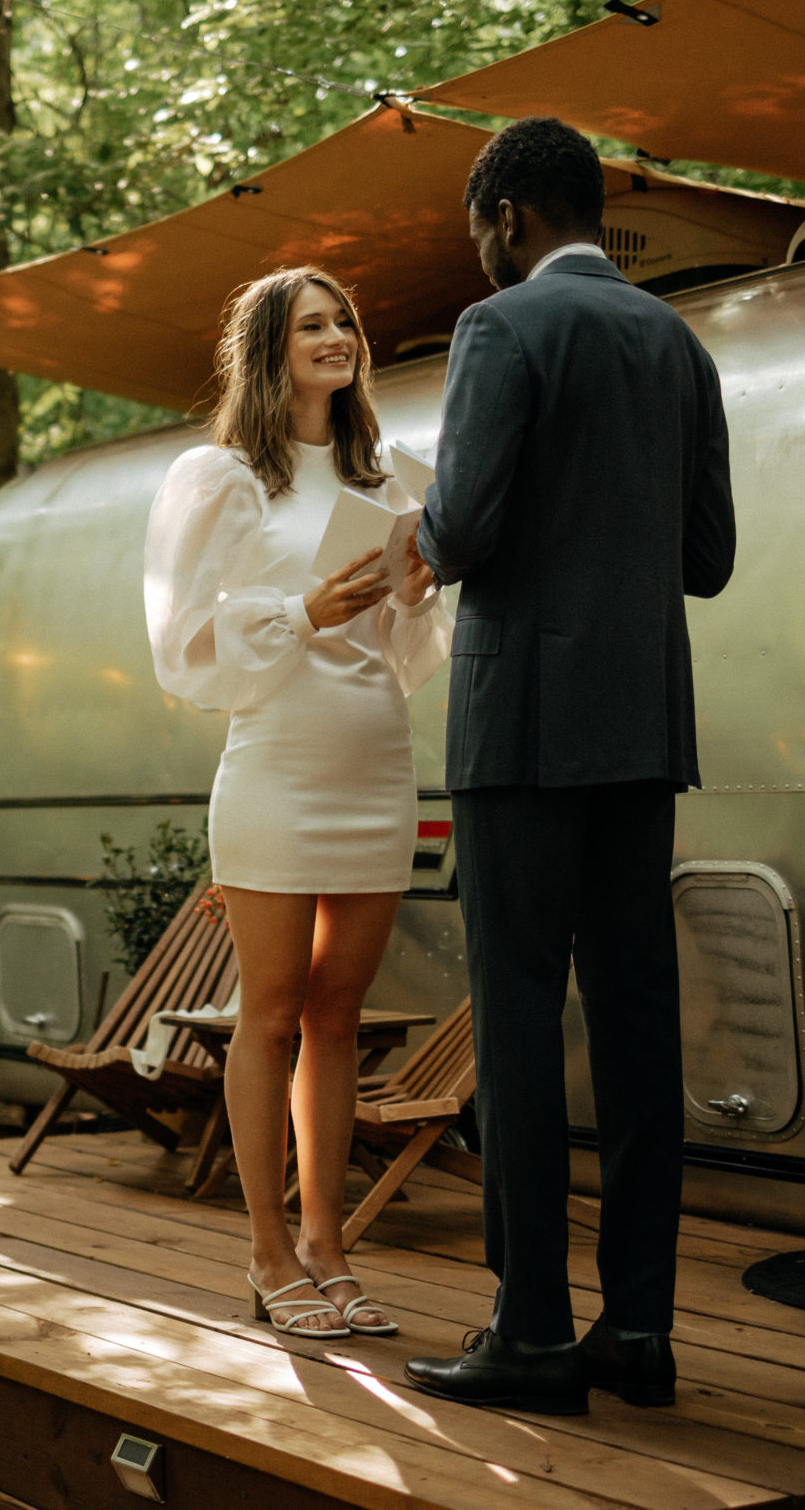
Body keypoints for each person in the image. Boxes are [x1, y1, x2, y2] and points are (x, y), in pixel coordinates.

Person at [400, 117, 735, 1414]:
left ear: (509, 218)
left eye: (477, 228)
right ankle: (638, 1330)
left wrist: (417, 529)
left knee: (523, 1021)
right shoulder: (679, 342)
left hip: (522, 732)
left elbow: (467, 524)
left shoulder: (502, 332)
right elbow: (705, 558)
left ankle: (532, 1325)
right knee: (642, 1023)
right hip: (642, 733)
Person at [144, 266, 451, 1340]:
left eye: (345, 321)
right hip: (273, 768)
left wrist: (410, 600)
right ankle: (267, 1254)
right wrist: (299, 608)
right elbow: (179, 648)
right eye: (311, 324)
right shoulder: (222, 478)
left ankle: (328, 1248)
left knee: (337, 1019)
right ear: (270, 347)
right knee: (268, 1016)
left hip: (375, 764)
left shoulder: (390, 479)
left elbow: (405, 659)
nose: (336, 336)